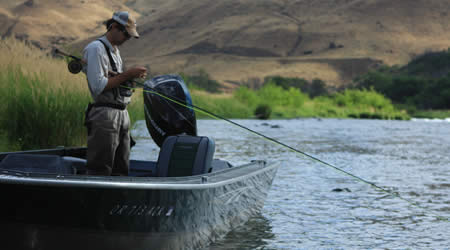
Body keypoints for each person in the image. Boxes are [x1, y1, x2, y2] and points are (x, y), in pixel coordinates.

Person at [82, 11, 147, 176]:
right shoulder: (96, 49)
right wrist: (128, 74)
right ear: (113, 27)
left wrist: (130, 78)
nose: (127, 39)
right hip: (105, 115)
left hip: (122, 114)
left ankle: (118, 201)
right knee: (100, 170)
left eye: (130, 36)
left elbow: (115, 81)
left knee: (122, 168)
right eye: (126, 34)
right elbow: (98, 86)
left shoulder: (115, 51)